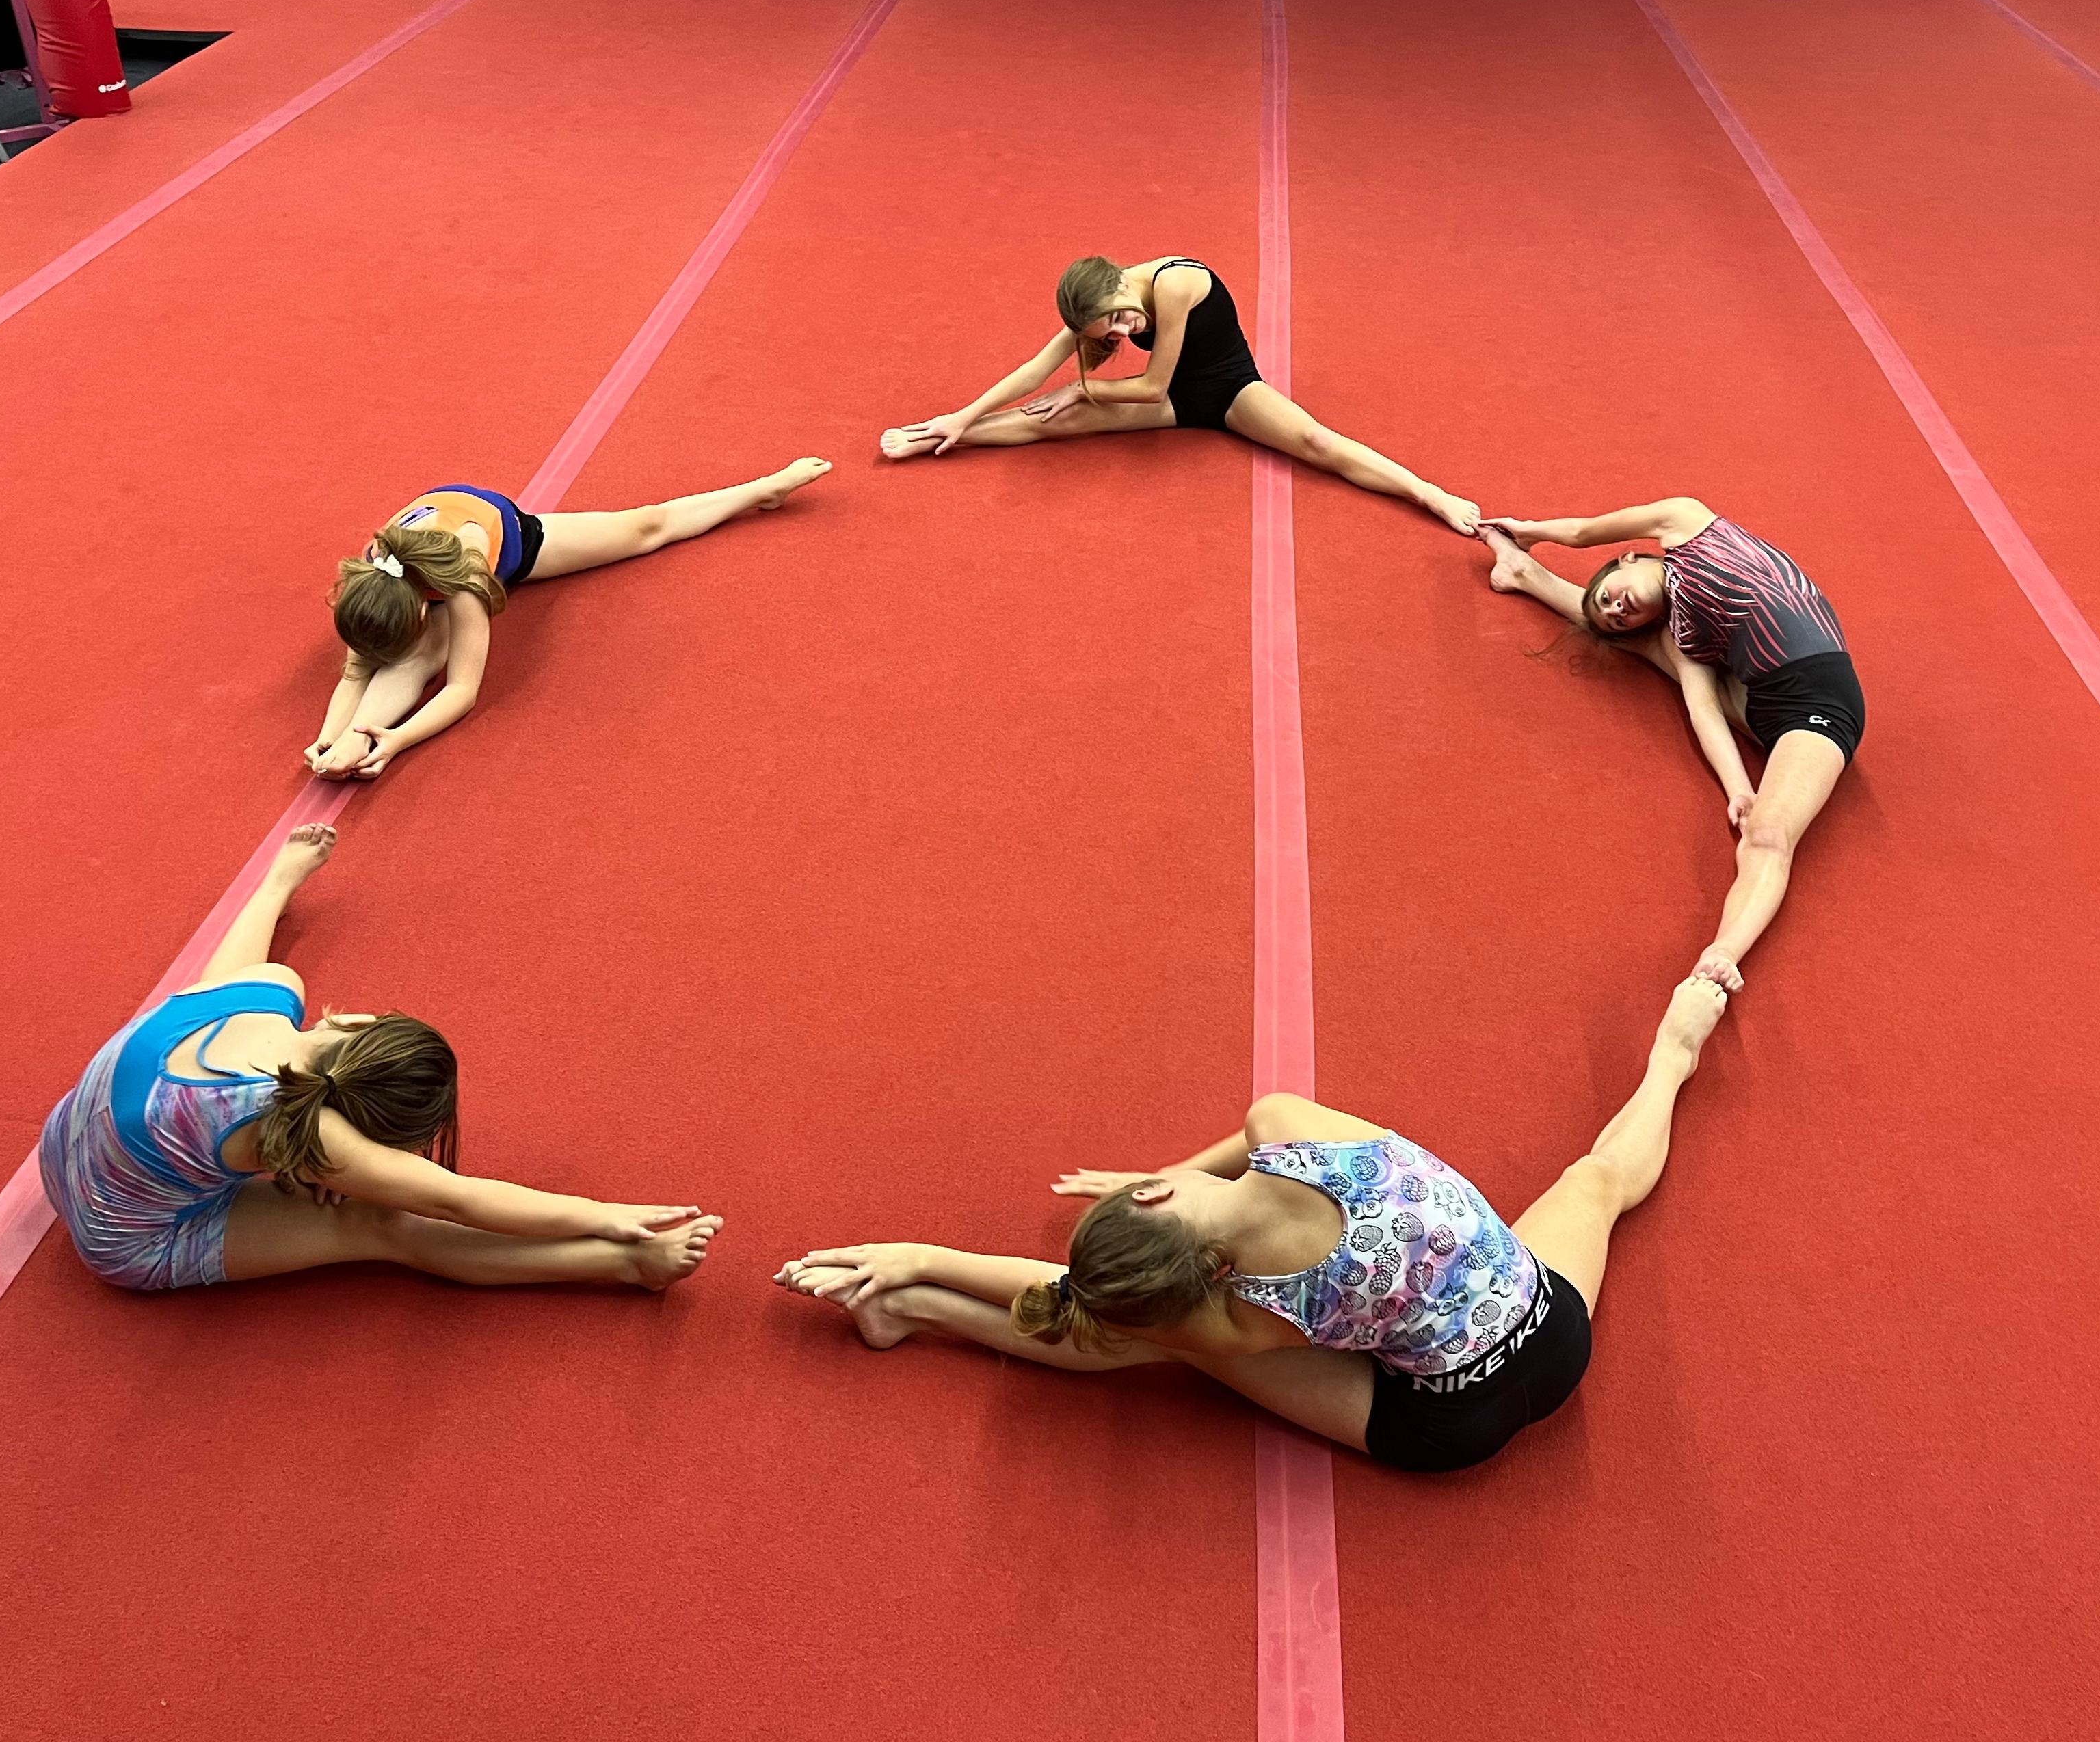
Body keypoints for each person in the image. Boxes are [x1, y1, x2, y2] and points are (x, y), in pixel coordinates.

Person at [776, 978, 1728, 1474]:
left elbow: (1088, 1314)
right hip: (1552, 1334)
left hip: (1447, 1427)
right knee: (1597, 1180)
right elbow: (1243, 1152)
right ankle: (1674, 1058)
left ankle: (913, 1310)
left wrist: (925, 1252)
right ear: (1157, 1202)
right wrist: (1161, 1177)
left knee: (1155, 1351)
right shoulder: (1288, 1125)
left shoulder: (1253, 1315)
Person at [39, 824, 721, 1292]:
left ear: (356, 1021)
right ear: (360, 1131)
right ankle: (624, 1268)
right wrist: (608, 1216)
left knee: (271, 1037)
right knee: (383, 1223)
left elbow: (234, 955)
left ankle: (621, 1259)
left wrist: (279, 882)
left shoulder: (266, 996)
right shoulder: (309, 1133)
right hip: (122, 1235)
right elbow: (458, 1200)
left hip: (63, 1144)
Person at [1478, 498, 1862, 991]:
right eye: (1615, 615)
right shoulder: (1686, 640)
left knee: (1771, 833)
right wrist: (1740, 789)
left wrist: (1526, 530)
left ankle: (1525, 569)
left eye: (1611, 596)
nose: (1618, 607)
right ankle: (1722, 956)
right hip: (1763, 708)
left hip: (1822, 703)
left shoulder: (1685, 521)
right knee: (1763, 828)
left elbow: (1580, 530)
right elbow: (1702, 709)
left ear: (1627, 558)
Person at [877, 255, 1480, 535]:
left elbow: (1152, 386)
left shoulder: (1176, 283)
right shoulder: (1098, 306)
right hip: (1162, 400)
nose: (1118, 334)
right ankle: (940, 437)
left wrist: (1086, 388)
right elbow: (1036, 368)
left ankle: (1431, 494)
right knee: (1043, 419)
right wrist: (960, 415)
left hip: (1229, 391)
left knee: (1316, 441)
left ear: (1118, 281)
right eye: (1104, 334)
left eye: (1116, 320)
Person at [307, 461, 830, 779]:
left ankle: (764, 488)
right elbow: (357, 667)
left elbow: (463, 690)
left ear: (424, 607)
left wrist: (398, 740)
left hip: (506, 537)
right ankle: (353, 741)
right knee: (410, 655)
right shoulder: (370, 573)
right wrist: (329, 735)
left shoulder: (463, 580)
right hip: (429, 551)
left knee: (648, 527)